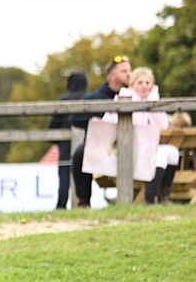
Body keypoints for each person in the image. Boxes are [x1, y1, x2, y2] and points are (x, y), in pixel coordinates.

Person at [69, 55, 132, 208]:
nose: (129, 74)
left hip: (133, 146)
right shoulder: (95, 98)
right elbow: (75, 119)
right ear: (111, 76)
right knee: (80, 153)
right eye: (124, 71)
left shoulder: (137, 94)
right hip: (103, 148)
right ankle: (84, 201)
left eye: (130, 70)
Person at [110, 68, 179, 204]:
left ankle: (163, 196)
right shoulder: (123, 99)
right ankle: (149, 198)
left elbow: (163, 125)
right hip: (125, 149)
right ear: (132, 84)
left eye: (148, 83)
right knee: (159, 156)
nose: (144, 86)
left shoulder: (152, 100)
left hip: (146, 147)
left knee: (173, 152)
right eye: (140, 82)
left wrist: (153, 102)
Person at [49, 71, 87, 209]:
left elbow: (53, 124)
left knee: (64, 174)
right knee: (83, 174)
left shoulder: (63, 100)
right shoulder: (88, 98)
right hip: (85, 143)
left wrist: (54, 139)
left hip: (64, 143)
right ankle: (83, 202)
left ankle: (61, 205)